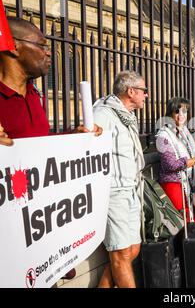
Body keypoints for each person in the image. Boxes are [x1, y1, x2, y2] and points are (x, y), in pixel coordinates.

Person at [0, 17, 102, 280]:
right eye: (42, 45)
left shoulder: (34, 94)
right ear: (14, 47)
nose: (49, 53)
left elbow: (41, 147)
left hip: (42, 236)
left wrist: (75, 137)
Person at [93, 71, 147, 288]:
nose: (146, 95)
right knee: (120, 253)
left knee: (133, 248)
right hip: (114, 191)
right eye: (144, 90)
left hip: (131, 188)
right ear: (130, 91)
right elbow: (89, 142)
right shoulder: (104, 113)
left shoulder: (126, 115)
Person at [156, 97, 195, 221]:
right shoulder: (163, 135)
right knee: (183, 220)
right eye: (177, 111)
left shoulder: (184, 131)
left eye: (184, 111)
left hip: (188, 180)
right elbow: (170, 165)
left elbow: (191, 152)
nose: (181, 115)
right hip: (173, 182)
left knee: (193, 218)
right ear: (170, 113)